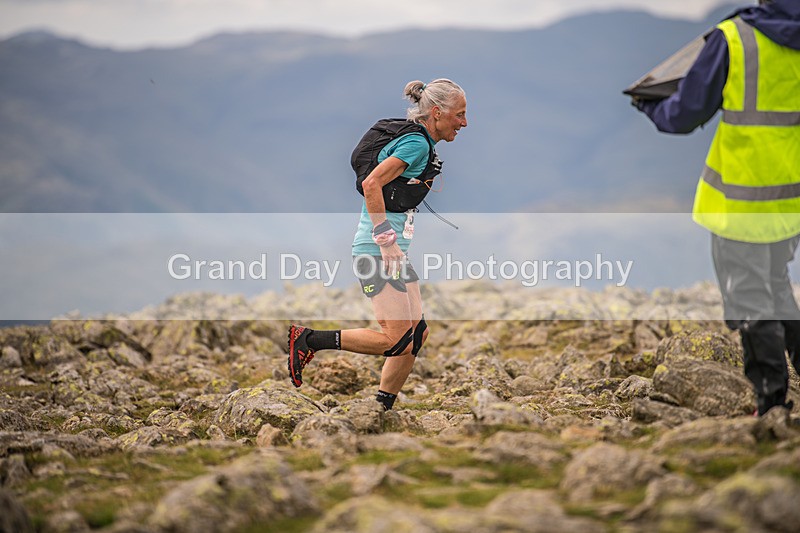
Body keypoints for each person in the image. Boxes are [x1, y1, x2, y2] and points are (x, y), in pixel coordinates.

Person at [633, 0, 800, 416]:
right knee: (777, 286)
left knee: (750, 298)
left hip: (740, 200)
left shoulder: (736, 38)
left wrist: (650, 104)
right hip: (790, 198)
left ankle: (771, 404)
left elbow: (683, 115)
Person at [287, 78, 468, 411]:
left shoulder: (421, 142)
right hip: (378, 252)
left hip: (393, 252)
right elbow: (372, 184)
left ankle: (381, 409)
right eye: (459, 114)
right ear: (437, 113)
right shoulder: (416, 144)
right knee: (395, 339)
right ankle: (309, 339)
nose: (464, 122)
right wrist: (385, 241)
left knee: (416, 334)